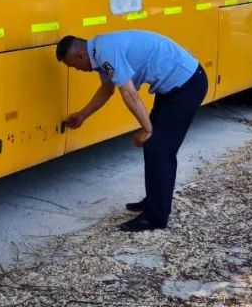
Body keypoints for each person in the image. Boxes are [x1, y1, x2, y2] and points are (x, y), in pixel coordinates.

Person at [56, 30, 208, 232]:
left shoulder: (106, 52)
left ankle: (155, 218)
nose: (78, 70)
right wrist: (83, 115)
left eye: (74, 66)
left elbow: (129, 93)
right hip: (174, 87)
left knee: (159, 149)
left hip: (188, 85)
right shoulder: (100, 51)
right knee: (153, 146)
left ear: (80, 56)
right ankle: (154, 200)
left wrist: (146, 128)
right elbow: (107, 90)